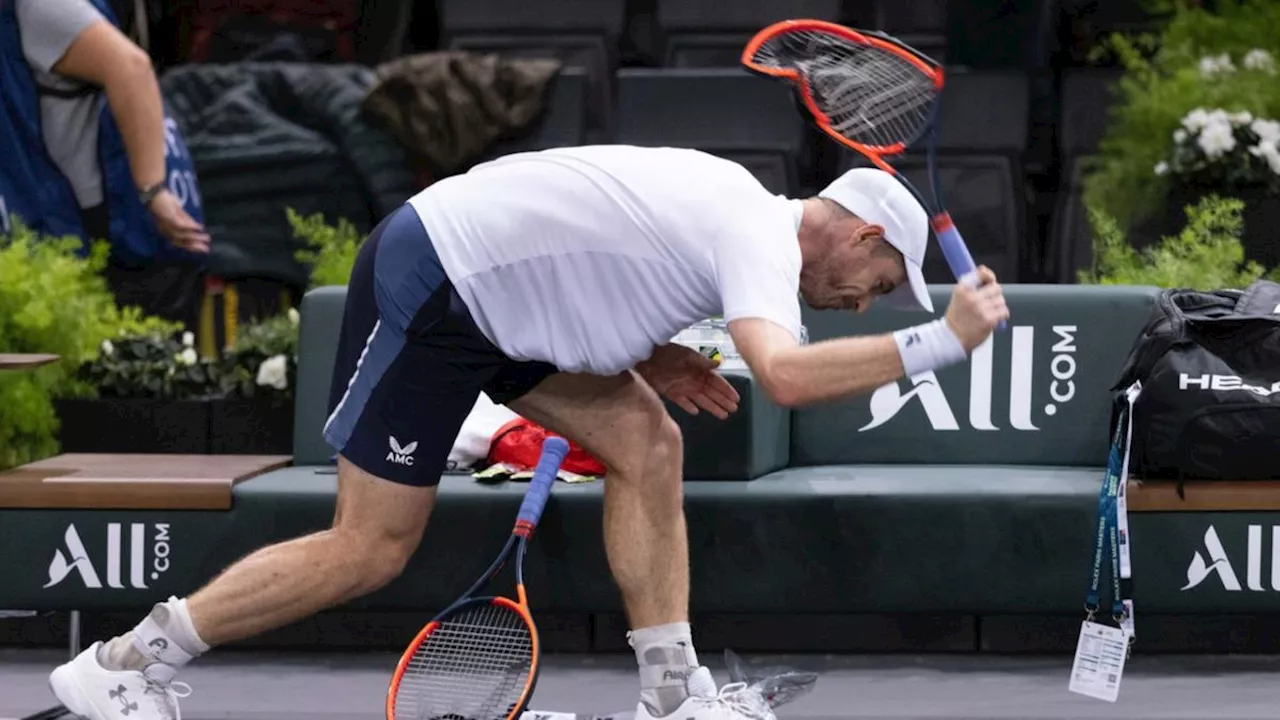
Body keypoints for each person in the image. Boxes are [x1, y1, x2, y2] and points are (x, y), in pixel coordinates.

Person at [48, 145, 1009, 720]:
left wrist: (652, 351)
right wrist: (943, 339)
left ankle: (672, 691)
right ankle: (130, 663)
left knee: (648, 440)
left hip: (507, 301)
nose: (857, 304)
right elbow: (789, 378)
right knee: (371, 548)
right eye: (876, 287)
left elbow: (598, 246)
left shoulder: (738, 207)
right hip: (438, 280)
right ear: (860, 235)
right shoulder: (757, 231)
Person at [0, 0, 211, 331]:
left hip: (127, 238)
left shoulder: (40, 6)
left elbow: (131, 67)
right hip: (110, 233)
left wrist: (152, 190)